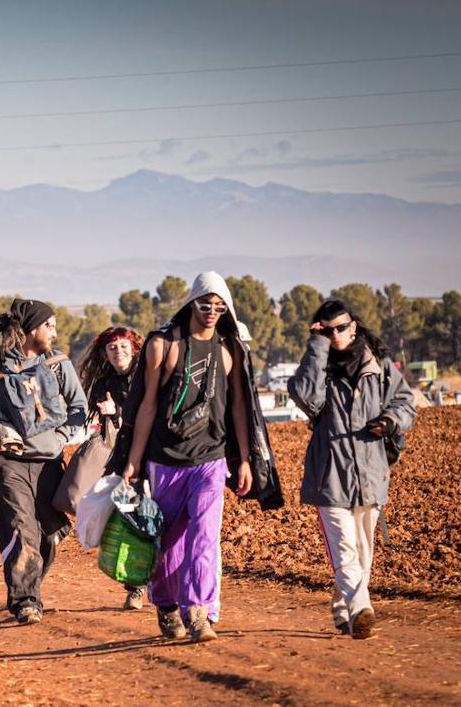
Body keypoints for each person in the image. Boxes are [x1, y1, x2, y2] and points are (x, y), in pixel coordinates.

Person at [119, 271, 274, 644]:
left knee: (204, 536)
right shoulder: (163, 345)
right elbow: (146, 405)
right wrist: (134, 460)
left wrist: (245, 459)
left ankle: (199, 612)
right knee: (168, 541)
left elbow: (239, 408)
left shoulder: (230, 350)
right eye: (206, 304)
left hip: (210, 459)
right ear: (191, 303)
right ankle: (166, 604)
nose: (211, 312)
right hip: (165, 459)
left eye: (219, 307)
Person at [287, 299, 416, 640]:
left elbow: (405, 402)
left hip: (370, 474)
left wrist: (391, 421)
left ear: (354, 326)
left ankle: (344, 609)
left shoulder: (379, 365)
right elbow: (306, 397)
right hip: (329, 476)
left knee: (362, 552)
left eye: (341, 328)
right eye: (327, 331)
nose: (336, 335)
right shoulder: (317, 366)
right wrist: (316, 347)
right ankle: (360, 609)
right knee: (344, 549)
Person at [0, 299, 88, 625]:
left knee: (49, 534)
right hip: (9, 464)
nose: (54, 333)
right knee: (19, 529)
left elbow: (79, 407)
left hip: (49, 463)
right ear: (31, 330)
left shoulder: (57, 364)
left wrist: (61, 438)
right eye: (49, 326)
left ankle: (31, 585)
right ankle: (25, 601)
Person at [76, 326, 145, 609]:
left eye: (124, 346)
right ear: (105, 353)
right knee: (129, 520)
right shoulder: (104, 383)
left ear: (134, 349)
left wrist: (117, 411)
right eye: (112, 348)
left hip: (154, 456)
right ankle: (136, 587)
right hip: (123, 459)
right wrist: (110, 413)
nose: (119, 352)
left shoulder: (148, 376)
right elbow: (112, 422)